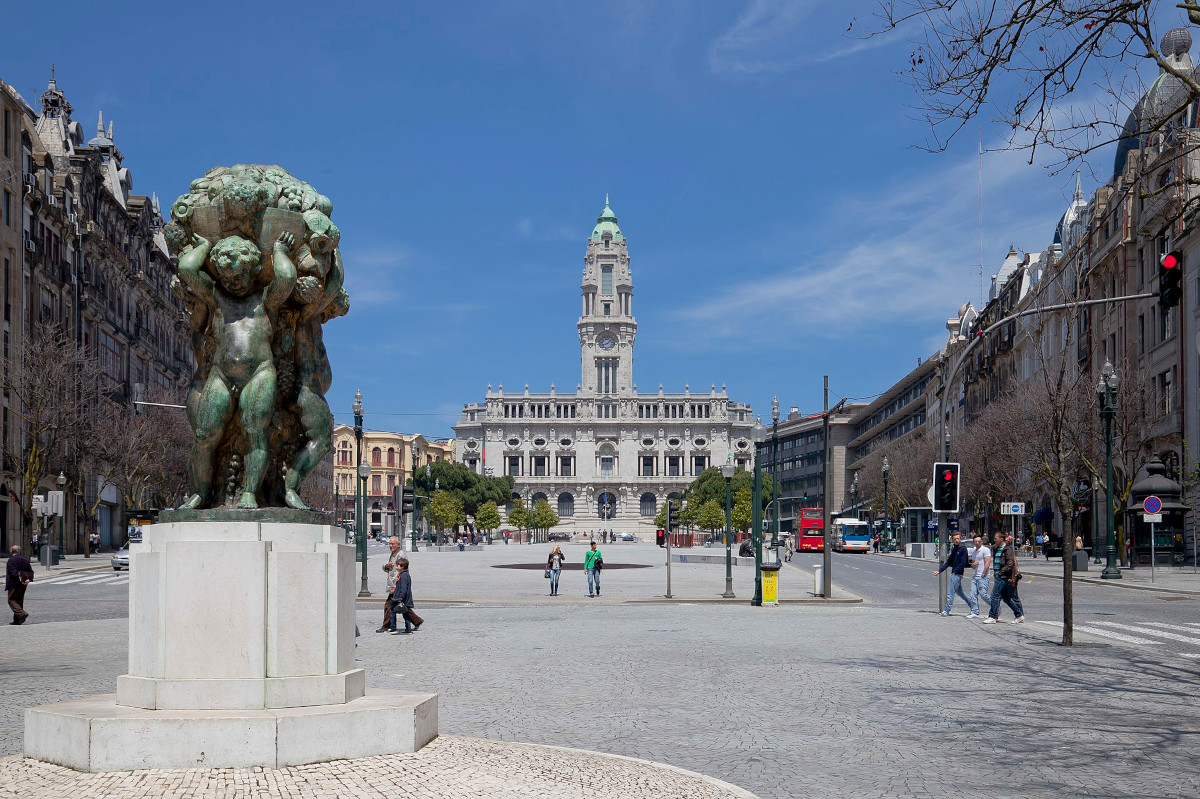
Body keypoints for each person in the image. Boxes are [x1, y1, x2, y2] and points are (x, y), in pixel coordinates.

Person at [934, 532, 978, 617]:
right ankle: (974, 607)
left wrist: (955, 571)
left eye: (958, 538)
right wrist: (939, 571)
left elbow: (963, 563)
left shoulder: (963, 549)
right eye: (955, 539)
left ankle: (946, 611)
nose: (957, 540)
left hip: (957, 574)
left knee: (951, 593)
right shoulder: (954, 549)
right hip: (954, 573)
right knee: (961, 593)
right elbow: (948, 562)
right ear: (952, 540)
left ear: (960, 538)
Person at [984, 531, 1025, 624]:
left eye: (996, 538)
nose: (994, 540)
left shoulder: (1008, 549)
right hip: (998, 575)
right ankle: (1019, 615)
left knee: (995, 596)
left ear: (1001, 539)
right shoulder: (996, 548)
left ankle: (992, 616)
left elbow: (1010, 564)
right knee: (1006, 598)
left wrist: (1000, 573)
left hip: (1003, 576)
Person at [377, 537, 404, 633]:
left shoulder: (400, 555)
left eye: (393, 544)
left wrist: (394, 585)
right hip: (394, 584)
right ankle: (416, 621)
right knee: (403, 606)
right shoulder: (393, 554)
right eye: (390, 544)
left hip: (396, 585)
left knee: (389, 605)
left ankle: (386, 625)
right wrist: (386, 566)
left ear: (398, 545)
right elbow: (389, 568)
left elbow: (400, 571)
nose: (391, 546)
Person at [390, 557, 423, 634]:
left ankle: (395, 627)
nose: (396, 567)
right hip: (401, 597)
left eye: (398, 565)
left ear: (402, 567)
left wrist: (400, 598)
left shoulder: (404, 576)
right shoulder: (403, 574)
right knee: (405, 613)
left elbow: (403, 588)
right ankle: (406, 628)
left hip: (401, 598)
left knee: (396, 612)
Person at [6, 545, 34, 625]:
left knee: (11, 600)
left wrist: (19, 580)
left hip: (14, 583)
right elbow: (30, 571)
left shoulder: (11, 560)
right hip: (24, 583)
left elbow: (13, 572)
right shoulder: (25, 559)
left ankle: (22, 614)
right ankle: (17, 620)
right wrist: (28, 579)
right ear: (19, 551)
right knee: (19, 600)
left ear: (11, 551)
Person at [969, 534, 992, 613]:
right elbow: (972, 565)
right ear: (974, 542)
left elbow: (987, 563)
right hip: (975, 576)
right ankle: (975, 611)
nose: (977, 543)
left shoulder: (985, 550)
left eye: (979, 541)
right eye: (976, 541)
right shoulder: (974, 552)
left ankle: (995, 606)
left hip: (983, 576)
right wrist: (973, 565)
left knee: (983, 594)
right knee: (972, 594)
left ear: (981, 541)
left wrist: (983, 574)